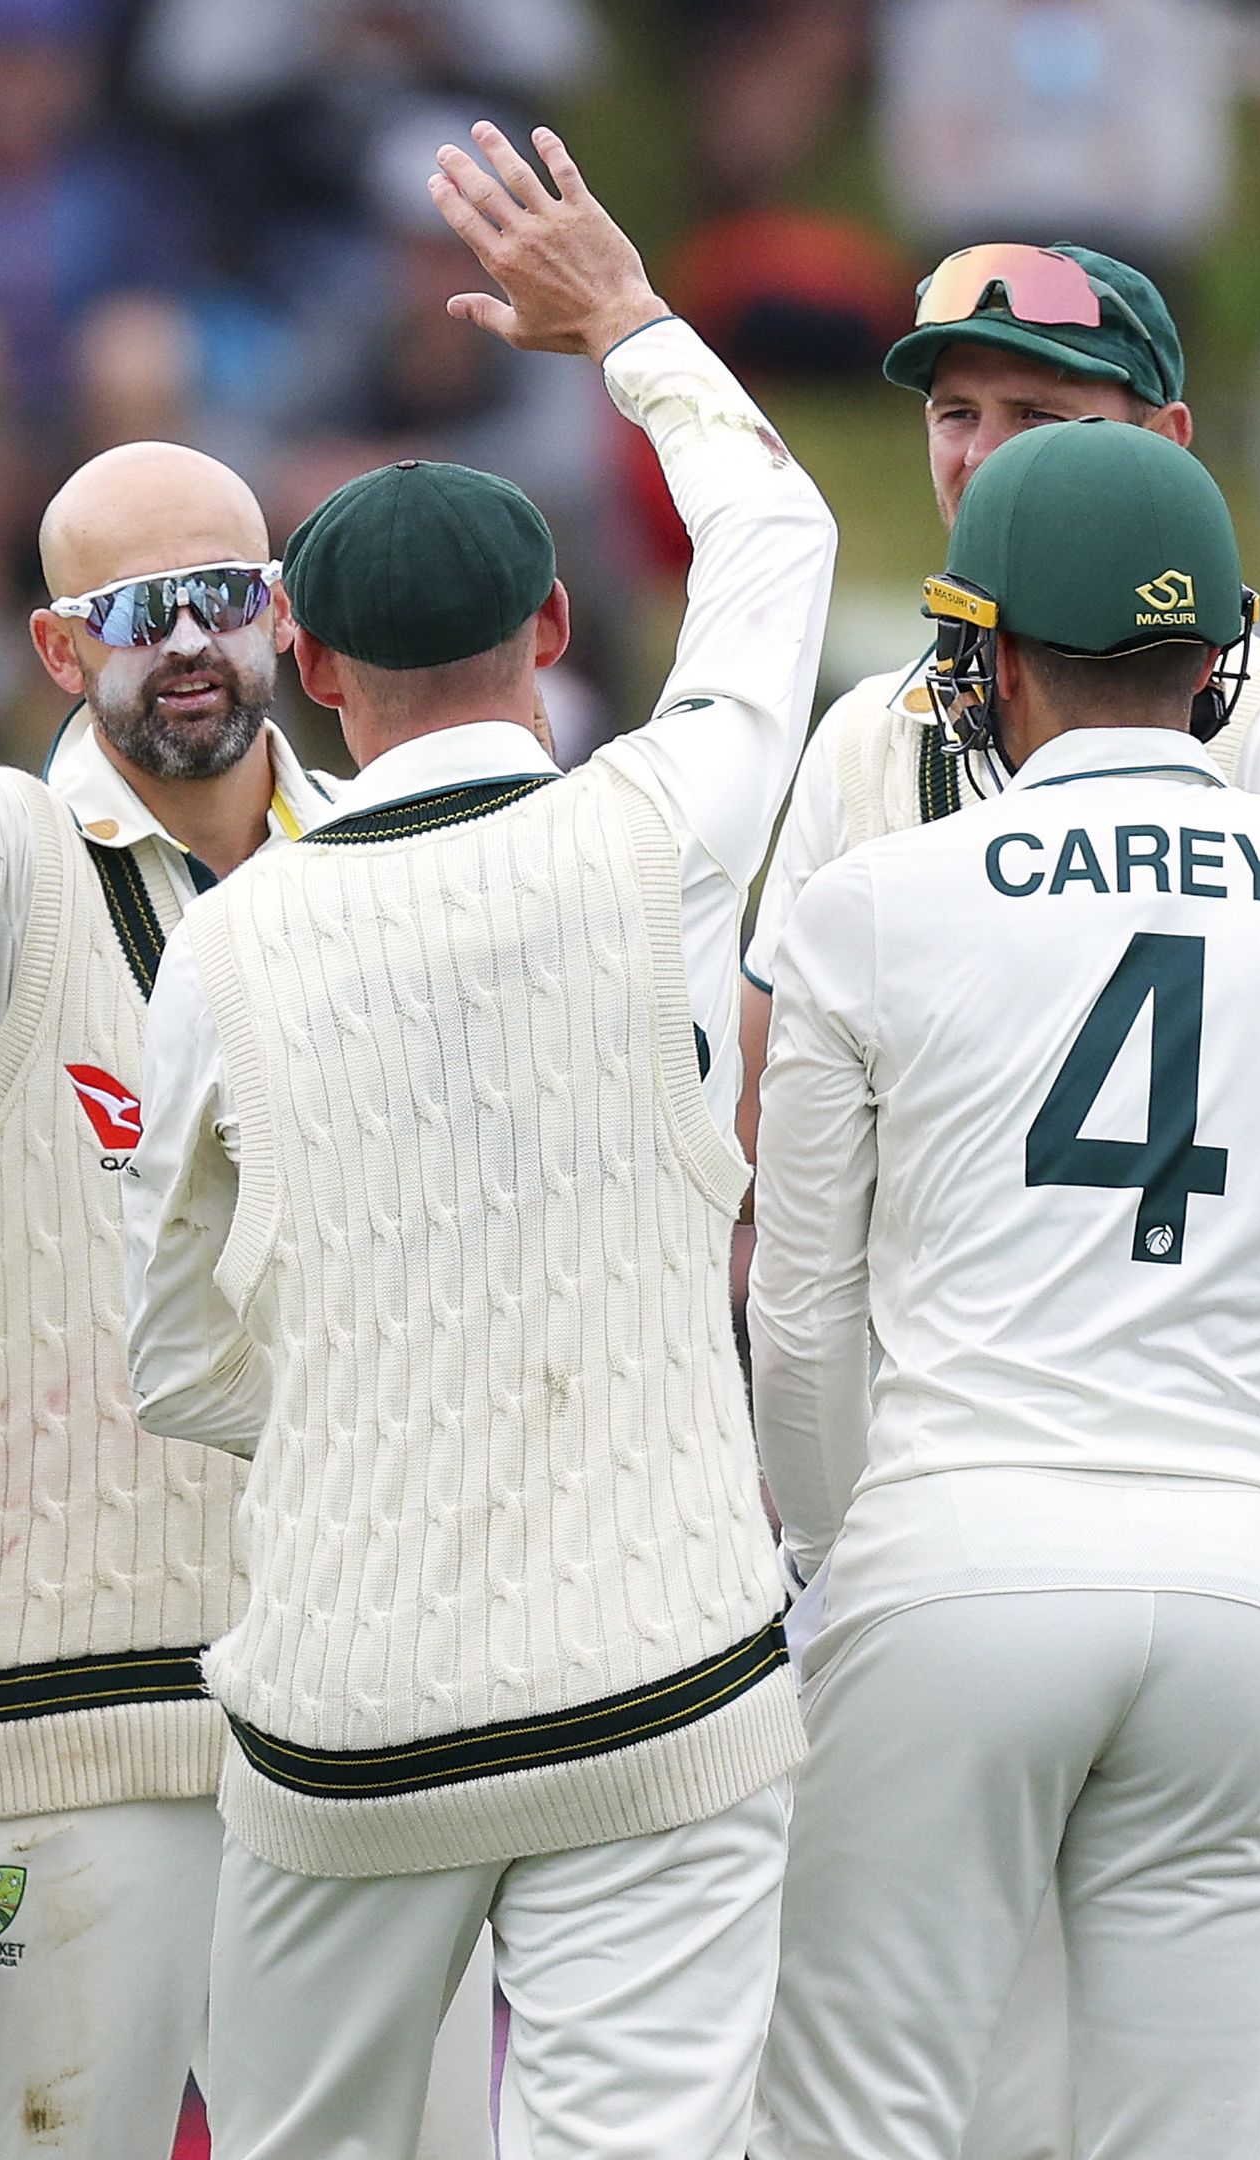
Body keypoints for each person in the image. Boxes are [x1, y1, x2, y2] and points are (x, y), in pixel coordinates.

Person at [124, 123, 831, 2158]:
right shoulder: (657, 829)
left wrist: (375, 1401)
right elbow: (777, 547)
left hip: (351, 1712)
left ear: (308, 673)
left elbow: (176, 1357)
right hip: (663, 1686)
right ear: (549, 634)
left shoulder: (227, 942)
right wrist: (625, 319)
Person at [0, 172, 493, 2156]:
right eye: (129, 613)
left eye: (217, 598)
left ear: (283, 615)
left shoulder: (396, 875)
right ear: (53, 638)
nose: (182, 648)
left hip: (369, 1717)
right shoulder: (0, 874)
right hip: (62, 1707)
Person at [748, 416, 1260, 2158]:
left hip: (951, 1548)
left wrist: (833, 1559)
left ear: (995, 654)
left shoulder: (873, 900)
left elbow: (798, 1319)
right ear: (1214, 660)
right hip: (1250, 1582)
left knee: (858, 2125)